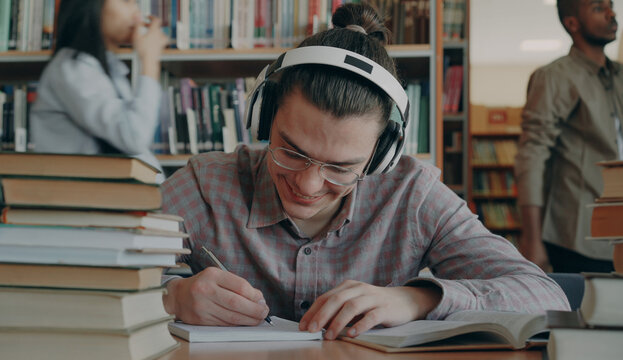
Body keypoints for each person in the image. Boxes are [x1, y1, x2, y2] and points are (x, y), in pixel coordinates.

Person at [161, 3, 569, 340]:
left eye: (341, 168)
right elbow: (99, 275)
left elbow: (546, 297)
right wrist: (172, 296)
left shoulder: (412, 194)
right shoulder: (205, 185)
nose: (307, 183)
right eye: (290, 151)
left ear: (381, 156)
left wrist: (418, 300)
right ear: (263, 117)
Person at [515, 0, 620, 273]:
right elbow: (532, 155)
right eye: (599, 8)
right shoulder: (554, 77)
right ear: (573, 23)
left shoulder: (619, 77)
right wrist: (532, 239)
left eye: (610, 6)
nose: (611, 13)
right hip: (577, 240)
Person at [30, 0, 168, 176]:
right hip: (90, 195)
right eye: (127, 2)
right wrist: (149, 61)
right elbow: (134, 137)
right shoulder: (71, 68)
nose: (137, 15)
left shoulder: (106, 69)